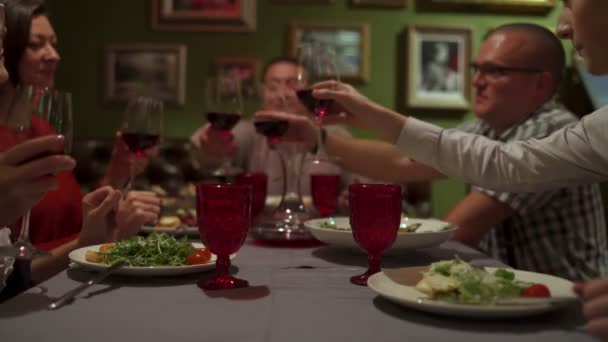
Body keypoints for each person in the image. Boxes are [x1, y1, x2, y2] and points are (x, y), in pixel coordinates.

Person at [259, 1, 608, 339]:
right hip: (513, 305)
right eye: (477, 69)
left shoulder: (548, 126)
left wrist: (377, 239)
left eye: (495, 71)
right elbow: (403, 162)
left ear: (541, 84)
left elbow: (462, 228)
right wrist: (316, 138)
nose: (476, 81)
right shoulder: (490, 127)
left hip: (568, 314)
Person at [1, 0, 160, 253]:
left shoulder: (43, 129)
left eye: (53, 43)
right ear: (4, 50)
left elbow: (76, 226)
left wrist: (116, 171)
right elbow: (20, 265)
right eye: (36, 44)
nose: (54, 55)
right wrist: (106, 241)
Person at [191, 56, 352, 199]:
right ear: (262, 93)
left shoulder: (334, 136)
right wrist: (209, 147)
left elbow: (355, 185)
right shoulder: (250, 132)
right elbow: (202, 151)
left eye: (292, 85)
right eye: (273, 87)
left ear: (309, 91)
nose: (282, 95)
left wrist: (347, 200)